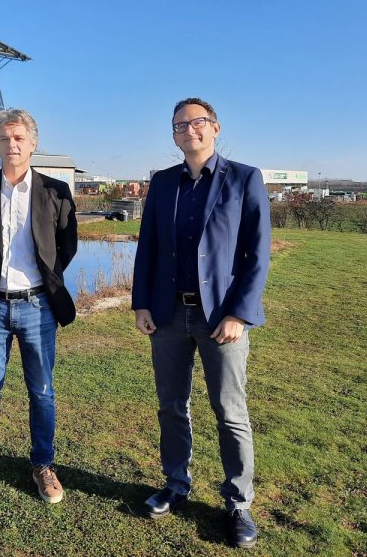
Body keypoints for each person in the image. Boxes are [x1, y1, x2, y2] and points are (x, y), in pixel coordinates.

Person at [132, 97, 270, 549]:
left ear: (215, 128)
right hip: (168, 314)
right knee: (171, 404)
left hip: (222, 318)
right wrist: (141, 303)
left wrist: (239, 313)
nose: (188, 130)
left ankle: (238, 502)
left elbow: (257, 253)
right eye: (179, 125)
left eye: (197, 122)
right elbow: (147, 248)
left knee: (230, 411)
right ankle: (176, 483)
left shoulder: (244, 179)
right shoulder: (162, 182)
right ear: (173, 136)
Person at [0, 108, 77, 506]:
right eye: (5, 138)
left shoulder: (55, 191)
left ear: (33, 143)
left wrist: (45, 279)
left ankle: (43, 465)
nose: (12, 144)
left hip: (38, 307)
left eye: (19, 138)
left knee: (41, 391)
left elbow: (66, 246)